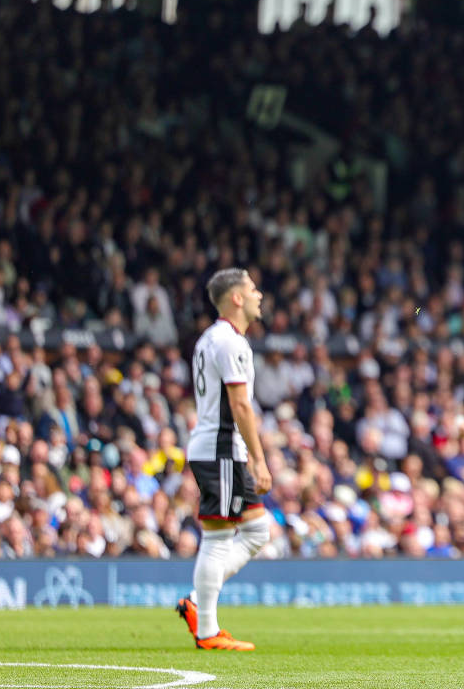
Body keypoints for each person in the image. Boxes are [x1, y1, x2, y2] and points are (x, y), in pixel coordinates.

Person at [174, 268, 272, 651]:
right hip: (220, 449)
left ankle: (198, 605)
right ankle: (207, 631)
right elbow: (240, 404)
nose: (258, 295)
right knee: (217, 539)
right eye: (252, 289)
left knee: (257, 531)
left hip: (215, 447)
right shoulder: (231, 343)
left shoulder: (209, 339)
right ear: (236, 298)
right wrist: (258, 459)